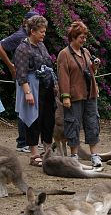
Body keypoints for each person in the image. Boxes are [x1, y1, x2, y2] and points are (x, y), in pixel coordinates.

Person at [56, 21, 102, 167]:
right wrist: (65, 96)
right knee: (72, 124)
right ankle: (74, 155)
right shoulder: (64, 54)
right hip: (74, 96)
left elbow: (90, 72)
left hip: (89, 94)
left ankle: (94, 155)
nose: (84, 40)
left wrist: (95, 66)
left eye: (85, 37)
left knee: (92, 122)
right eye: (81, 37)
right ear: (73, 37)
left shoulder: (86, 52)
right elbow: (63, 76)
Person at [14, 15, 56, 167]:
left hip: (46, 86)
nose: (44, 34)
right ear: (32, 31)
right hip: (32, 86)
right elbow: (21, 73)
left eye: (44, 31)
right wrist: (27, 92)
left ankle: (48, 151)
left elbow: (47, 64)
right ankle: (34, 154)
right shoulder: (22, 48)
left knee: (48, 118)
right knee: (33, 120)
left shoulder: (41, 45)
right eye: (41, 31)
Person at [0, 10, 40, 153]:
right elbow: (0, 46)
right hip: (23, 78)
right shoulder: (19, 35)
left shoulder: (33, 38)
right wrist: (10, 66)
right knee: (23, 107)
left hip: (33, 78)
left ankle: (32, 140)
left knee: (33, 107)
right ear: (27, 22)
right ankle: (22, 142)